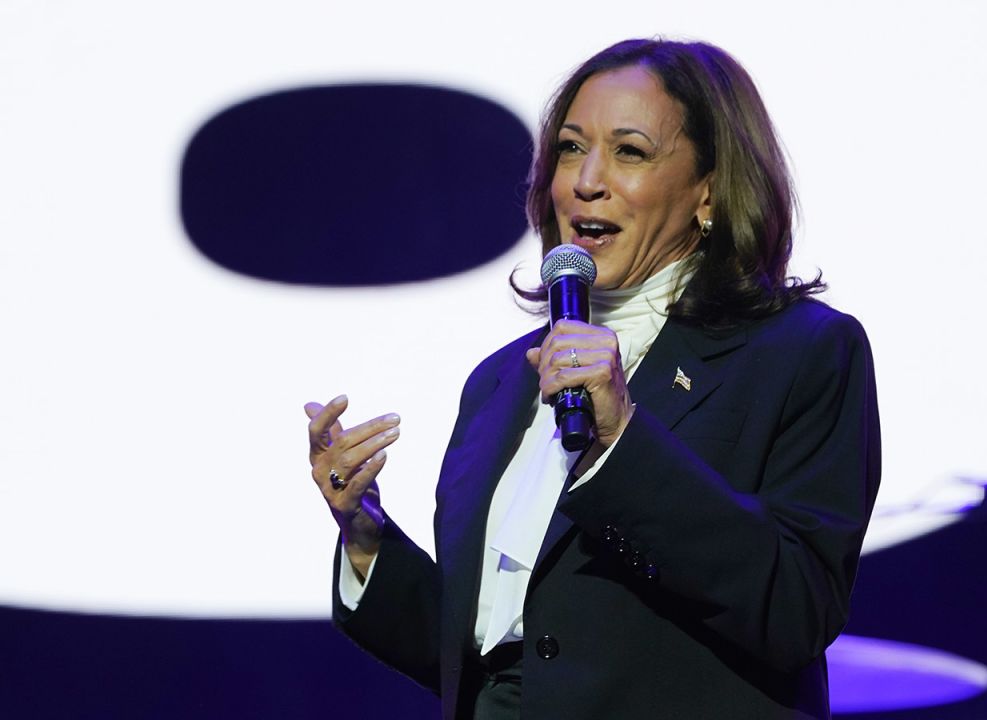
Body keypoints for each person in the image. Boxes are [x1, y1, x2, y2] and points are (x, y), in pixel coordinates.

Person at [304, 38, 880, 720]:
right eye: (572, 149)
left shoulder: (801, 352)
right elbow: (494, 651)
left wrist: (623, 440)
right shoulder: (500, 383)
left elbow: (796, 610)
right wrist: (367, 539)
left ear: (710, 189)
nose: (585, 181)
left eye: (629, 152)